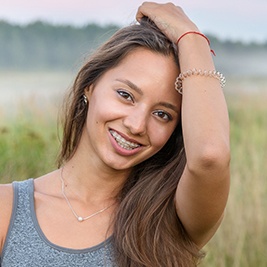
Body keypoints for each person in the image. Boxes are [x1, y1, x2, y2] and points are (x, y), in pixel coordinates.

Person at [0, 2, 230, 267]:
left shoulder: (171, 218)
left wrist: (191, 37)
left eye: (162, 114)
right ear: (90, 85)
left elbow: (210, 156)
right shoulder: (8, 210)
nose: (136, 125)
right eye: (126, 95)